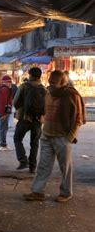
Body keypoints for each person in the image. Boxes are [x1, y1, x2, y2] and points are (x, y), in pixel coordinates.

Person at [23, 70, 86, 203]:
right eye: (50, 81)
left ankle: (66, 192)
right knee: (43, 165)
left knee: (65, 167)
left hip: (62, 137)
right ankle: (37, 191)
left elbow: (78, 119)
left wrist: (69, 137)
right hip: (47, 135)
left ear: (63, 82)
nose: (51, 84)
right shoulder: (48, 93)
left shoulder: (71, 95)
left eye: (54, 82)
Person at [13, 67, 46, 173]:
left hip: (25, 118)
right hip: (38, 120)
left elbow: (16, 102)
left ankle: (23, 160)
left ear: (30, 75)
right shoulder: (44, 89)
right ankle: (32, 167)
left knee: (17, 138)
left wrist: (22, 108)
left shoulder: (24, 86)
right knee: (35, 143)